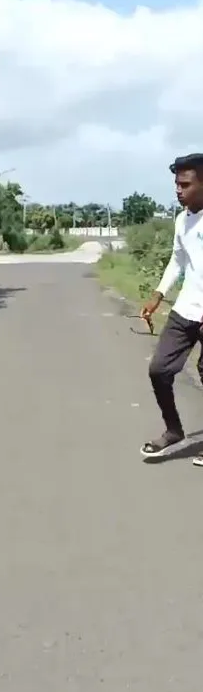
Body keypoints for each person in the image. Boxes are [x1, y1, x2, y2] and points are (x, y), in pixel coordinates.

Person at [140, 153, 203, 463]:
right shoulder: (182, 219)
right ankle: (173, 429)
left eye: (185, 184)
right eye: (177, 184)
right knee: (159, 370)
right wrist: (158, 294)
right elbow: (178, 260)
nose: (178, 190)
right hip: (187, 308)